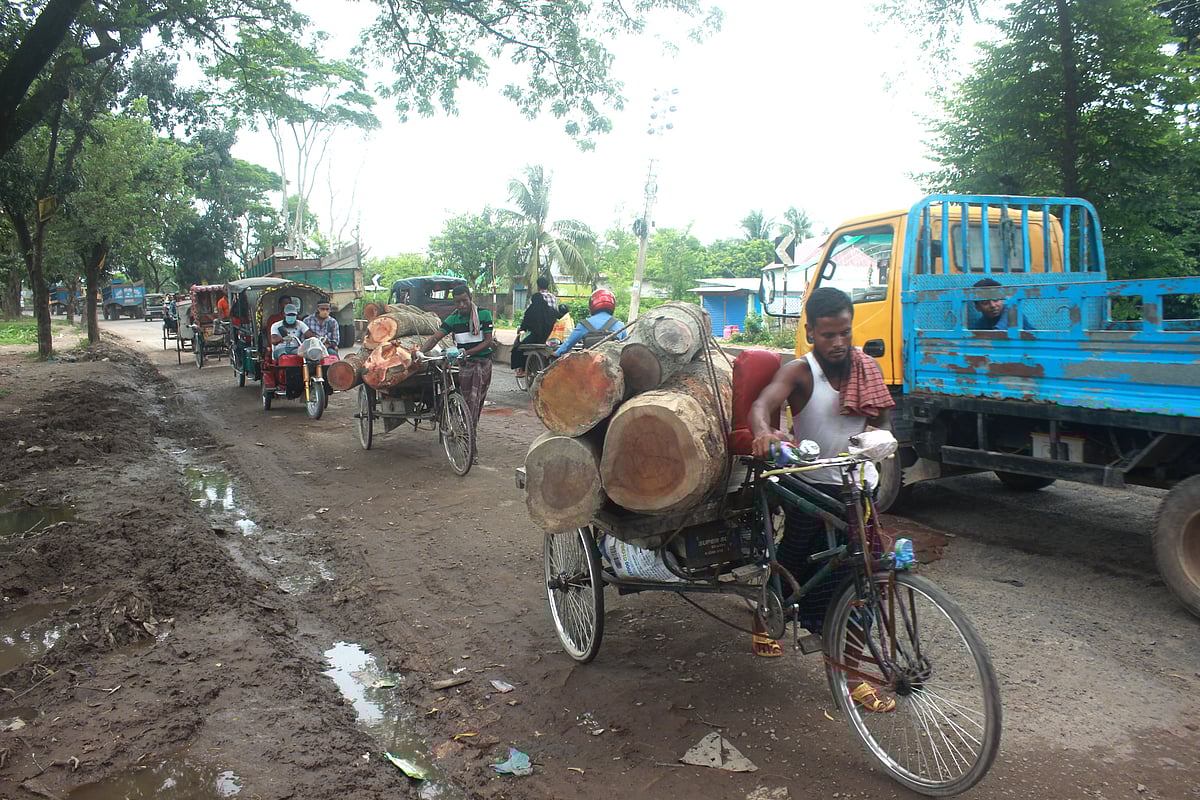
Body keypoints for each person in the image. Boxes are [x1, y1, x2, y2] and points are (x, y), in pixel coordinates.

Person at [749, 287, 897, 711]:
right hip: (811, 488)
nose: (838, 343)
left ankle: (853, 677)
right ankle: (764, 616)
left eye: (845, 333)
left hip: (858, 489)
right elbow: (764, 404)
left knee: (865, 582)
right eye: (828, 334)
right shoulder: (800, 372)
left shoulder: (867, 370)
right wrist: (763, 431)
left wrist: (881, 440)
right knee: (791, 564)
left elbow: (883, 422)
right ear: (810, 331)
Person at [419, 285, 494, 462]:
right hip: (465, 366)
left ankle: (469, 440)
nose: (461, 305)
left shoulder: (484, 315)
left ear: (470, 298)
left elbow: (488, 341)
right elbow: (435, 337)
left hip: (483, 363)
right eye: (457, 302)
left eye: (464, 300)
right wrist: (420, 352)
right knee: (470, 406)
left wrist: (468, 352)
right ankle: (470, 447)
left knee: (475, 406)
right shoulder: (453, 319)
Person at [512, 276, 567, 376]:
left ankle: (522, 369)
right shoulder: (553, 299)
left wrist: (521, 328)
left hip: (536, 335)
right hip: (552, 332)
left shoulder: (534, 303)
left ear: (538, 286)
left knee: (519, 345)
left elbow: (527, 318)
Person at [554, 289, 627, 356]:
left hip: (588, 367)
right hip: (613, 367)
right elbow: (626, 349)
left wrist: (556, 354)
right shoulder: (620, 325)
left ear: (592, 304)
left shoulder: (584, 325)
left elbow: (567, 345)